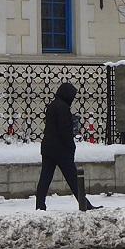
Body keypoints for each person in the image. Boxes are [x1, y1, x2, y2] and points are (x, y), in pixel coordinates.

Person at [35, 81, 98, 212]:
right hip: (61, 150)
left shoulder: (53, 105)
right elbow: (64, 130)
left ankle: (40, 205)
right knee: (74, 179)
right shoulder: (63, 108)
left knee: (45, 178)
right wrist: (71, 146)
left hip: (48, 149)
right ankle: (85, 204)